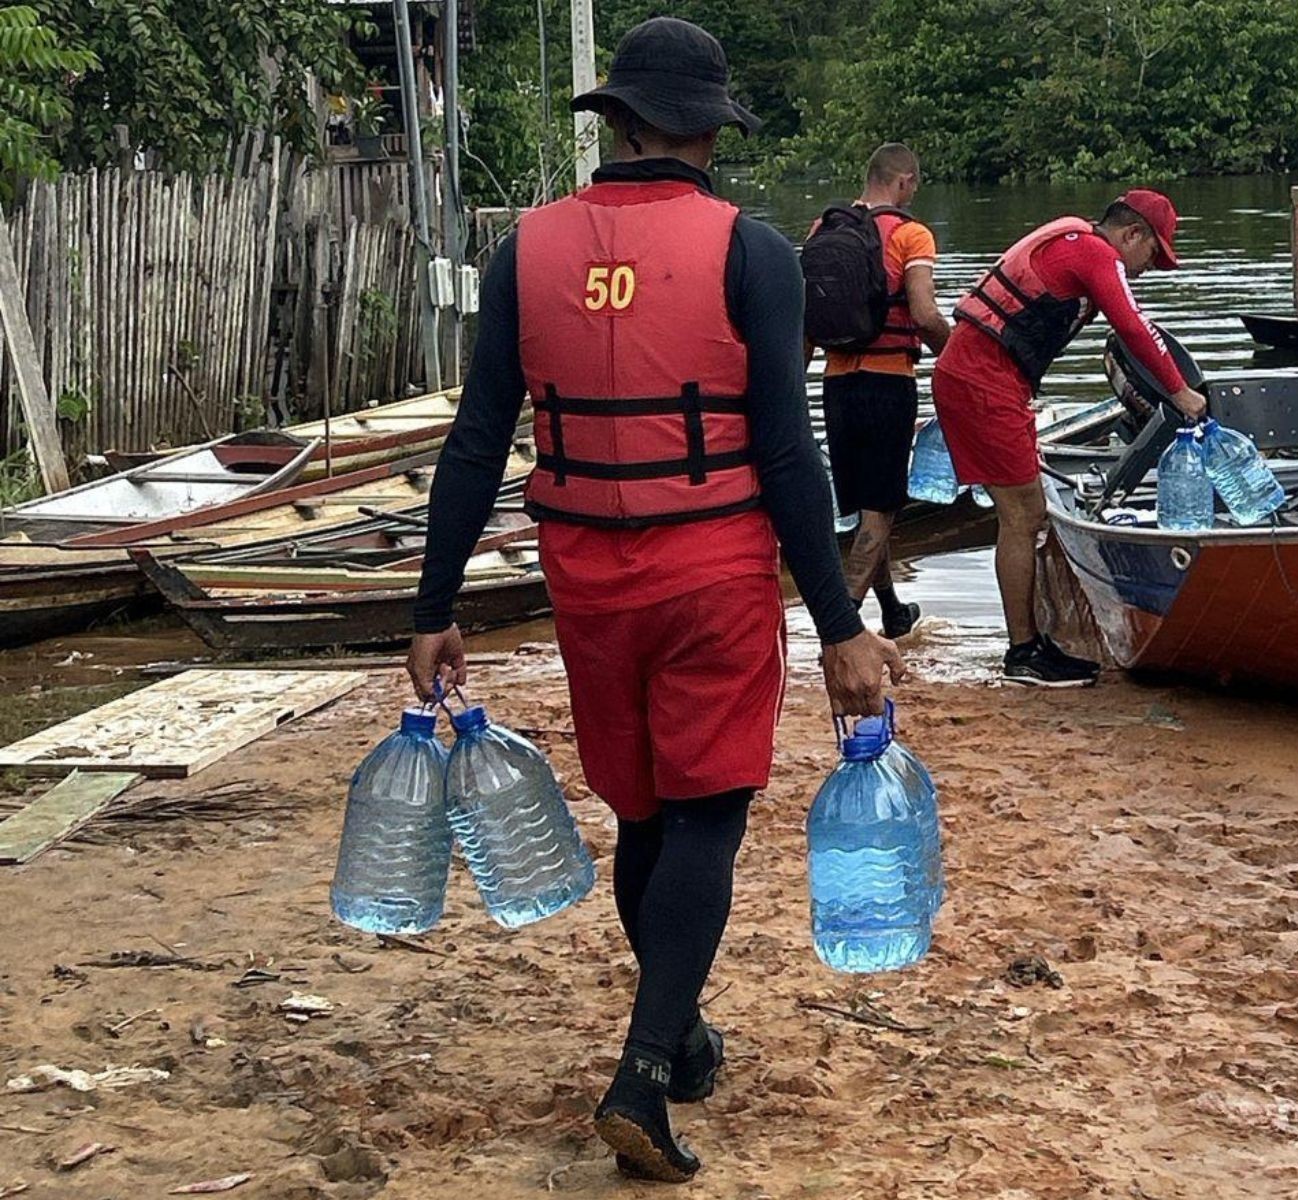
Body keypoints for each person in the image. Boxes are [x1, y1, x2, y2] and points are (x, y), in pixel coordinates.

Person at [405, 17, 903, 1184]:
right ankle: (640, 1067)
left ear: (617, 123)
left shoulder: (521, 251)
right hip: (713, 575)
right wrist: (841, 627)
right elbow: (788, 456)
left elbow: (477, 442)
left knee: (641, 814)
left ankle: (678, 1043)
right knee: (708, 816)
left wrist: (433, 607)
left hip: (586, 579)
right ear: (710, 138)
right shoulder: (754, 253)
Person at [931, 191, 1208, 686]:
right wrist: (1182, 393)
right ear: (1132, 235)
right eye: (1151, 255)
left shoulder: (1074, 239)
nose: (1147, 269)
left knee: (1023, 512)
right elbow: (1135, 326)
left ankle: (1029, 642)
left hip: (981, 375)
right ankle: (1023, 653)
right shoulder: (1096, 253)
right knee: (1023, 514)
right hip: (982, 381)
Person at [811, 144, 950, 637]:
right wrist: (955, 356)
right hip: (888, 382)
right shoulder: (912, 234)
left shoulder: (826, 229)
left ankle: (892, 609)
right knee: (882, 511)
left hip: (836, 385)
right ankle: (842, 627)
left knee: (869, 506)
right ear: (904, 181)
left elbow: (811, 316)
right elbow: (924, 313)